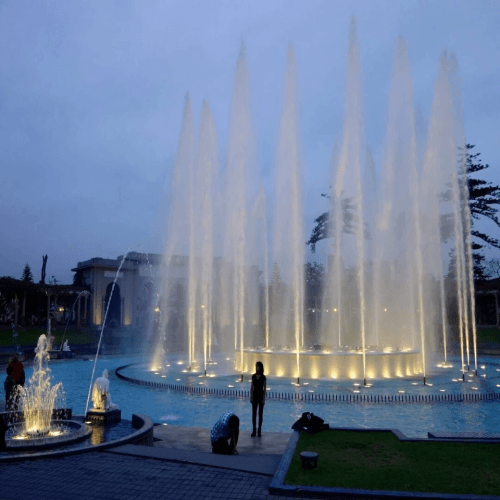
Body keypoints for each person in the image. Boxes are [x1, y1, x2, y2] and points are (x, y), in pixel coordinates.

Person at [250, 361, 266, 437]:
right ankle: (254, 430)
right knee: (254, 414)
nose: (257, 368)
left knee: (260, 414)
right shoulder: (253, 376)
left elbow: (264, 388)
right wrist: (251, 396)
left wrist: (264, 399)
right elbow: (251, 387)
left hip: (261, 396)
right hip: (255, 396)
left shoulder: (263, 377)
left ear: (261, 367)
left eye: (258, 366)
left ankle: (259, 430)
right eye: (256, 366)